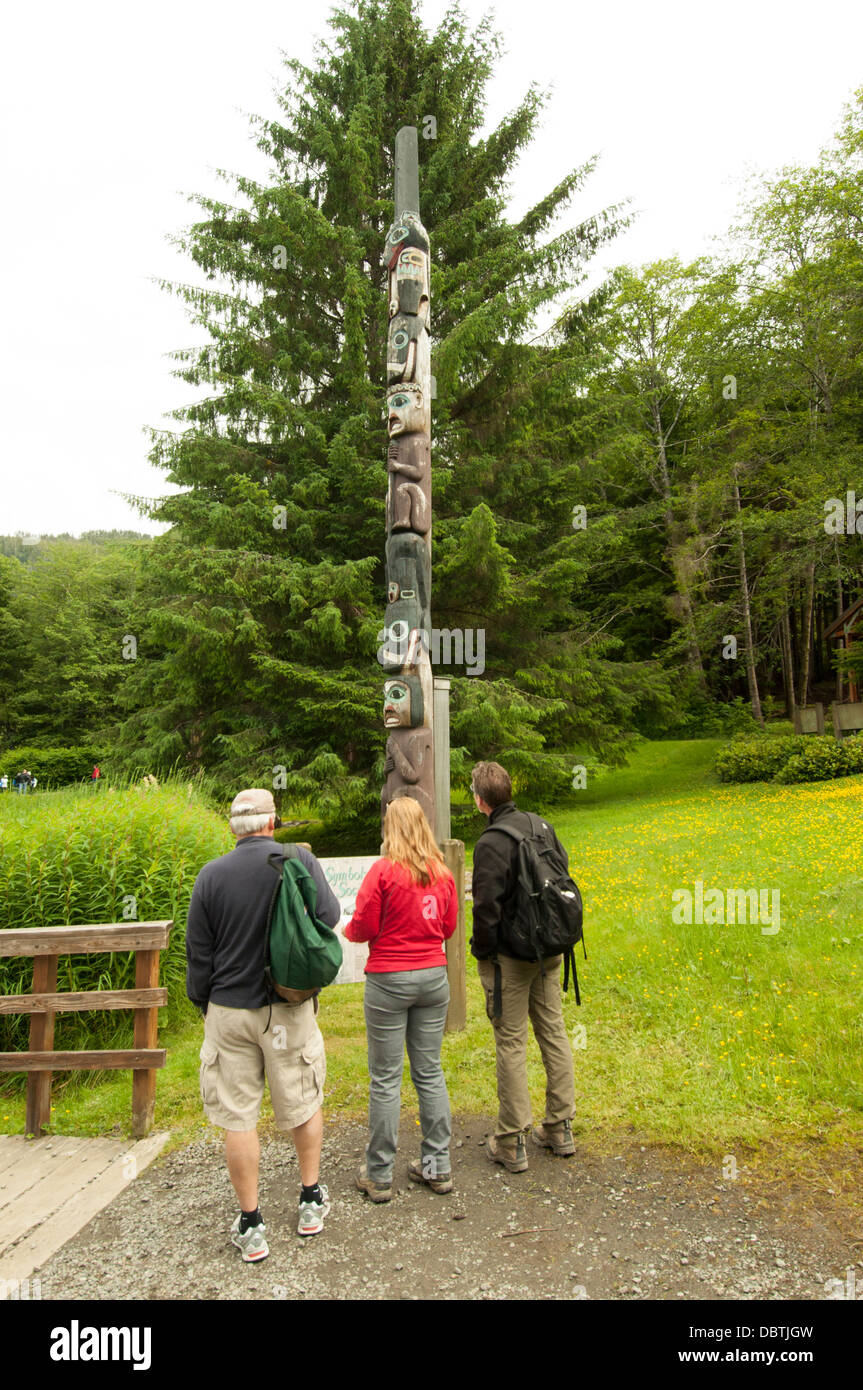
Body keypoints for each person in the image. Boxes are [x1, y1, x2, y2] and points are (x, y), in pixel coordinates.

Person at [186, 788, 341, 1262]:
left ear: (232, 829)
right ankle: (310, 1200)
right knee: (301, 1099)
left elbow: (199, 956)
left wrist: (205, 1006)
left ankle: (252, 1225)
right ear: (273, 822)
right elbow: (330, 916)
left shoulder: (210, 877)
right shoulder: (297, 860)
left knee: (238, 1116)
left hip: (230, 1011)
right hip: (286, 1006)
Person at [345, 797, 457, 1202]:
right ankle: (437, 1165)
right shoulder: (441, 874)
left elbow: (363, 925)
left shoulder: (383, 872)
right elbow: (448, 927)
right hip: (432, 977)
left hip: (389, 979)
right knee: (429, 1071)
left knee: (386, 1078)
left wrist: (349, 931)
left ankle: (378, 1174)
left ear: (390, 828)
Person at [470, 761, 577, 1173]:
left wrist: (484, 953)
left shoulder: (492, 842)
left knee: (511, 1041)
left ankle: (512, 1140)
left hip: (510, 960)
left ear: (480, 800)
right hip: (550, 948)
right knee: (553, 1032)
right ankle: (560, 1126)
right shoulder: (542, 826)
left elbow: (486, 908)